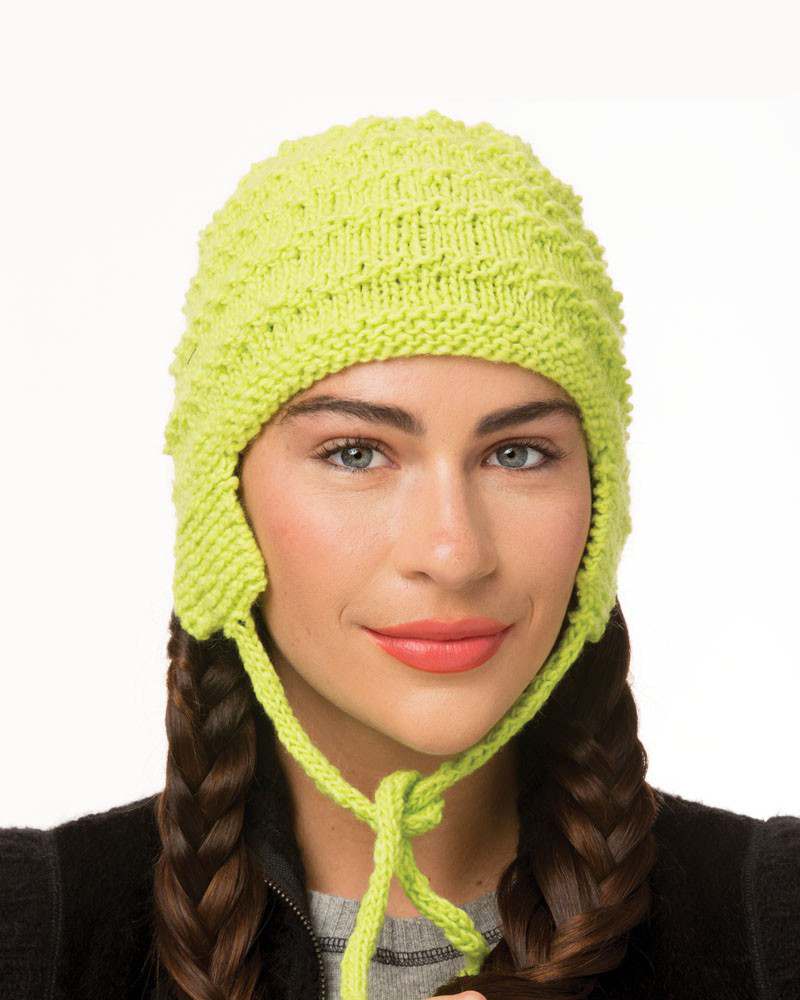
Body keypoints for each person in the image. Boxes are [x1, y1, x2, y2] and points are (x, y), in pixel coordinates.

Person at [1, 109, 798, 1000]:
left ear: (600, 502)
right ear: (224, 506)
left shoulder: (775, 922)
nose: (453, 553)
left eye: (517, 454)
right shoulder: (29, 936)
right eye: (355, 454)